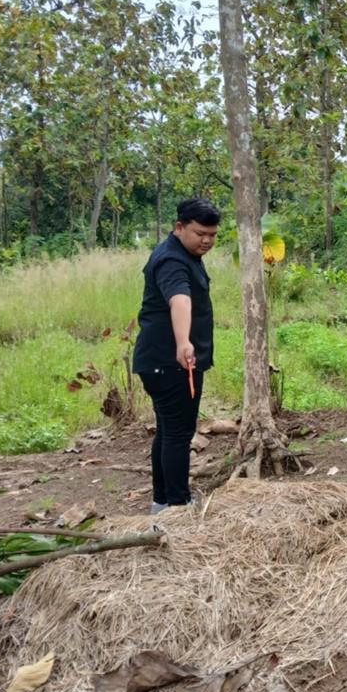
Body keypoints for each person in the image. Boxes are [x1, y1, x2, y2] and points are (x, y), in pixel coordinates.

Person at [132, 198, 221, 514]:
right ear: (179, 227)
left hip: (161, 362)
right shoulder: (172, 260)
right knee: (178, 434)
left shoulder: (184, 253)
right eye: (200, 234)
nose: (206, 241)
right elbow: (180, 300)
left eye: (212, 235)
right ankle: (178, 505)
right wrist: (184, 343)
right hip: (171, 363)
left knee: (169, 431)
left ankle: (163, 502)